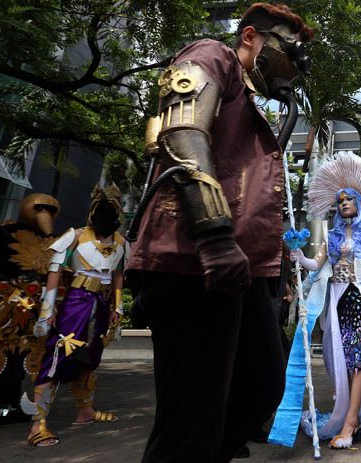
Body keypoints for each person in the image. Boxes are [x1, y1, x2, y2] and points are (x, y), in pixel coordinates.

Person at [126, 4, 313, 460]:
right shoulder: (211, 55)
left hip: (238, 269)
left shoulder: (249, 103)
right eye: (290, 49)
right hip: (193, 262)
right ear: (251, 36)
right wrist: (213, 236)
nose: (297, 64)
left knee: (261, 385)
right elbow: (182, 133)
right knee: (191, 418)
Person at [273, 152, 361, 449]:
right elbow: (317, 265)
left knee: (358, 361)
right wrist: (299, 256)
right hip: (336, 299)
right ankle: (354, 415)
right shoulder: (333, 235)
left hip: (358, 297)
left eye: (348, 200)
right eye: (339, 202)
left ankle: (351, 423)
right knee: (342, 361)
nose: (343, 204)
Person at [24, 185, 127, 447]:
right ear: (92, 211)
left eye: (112, 207)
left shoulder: (121, 242)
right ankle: (38, 424)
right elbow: (55, 271)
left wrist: (118, 306)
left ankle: (85, 411)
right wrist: (47, 311)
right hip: (76, 302)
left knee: (91, 357)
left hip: (102, 305)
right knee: (58, 354)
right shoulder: (75, 236)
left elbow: (117, 275)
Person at [0, 194, 60, 426]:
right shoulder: (2, 234)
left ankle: (6, 411)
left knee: (16, 361)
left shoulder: (54, 243)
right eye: (40, 208)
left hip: (31, 310)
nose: (44, 213)